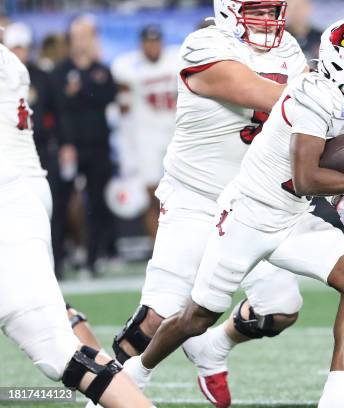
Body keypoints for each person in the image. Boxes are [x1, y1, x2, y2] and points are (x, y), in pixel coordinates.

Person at [122, 17, 344, 408]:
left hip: (292, 218)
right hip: (247, 216)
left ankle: (335, 395)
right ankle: (137, 372)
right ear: (341, 65)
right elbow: (305, 177)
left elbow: (324, 166)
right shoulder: (312, 93)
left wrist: (342, 200)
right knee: (196, 317)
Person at [105, 2, 318, 408]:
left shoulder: (288, 47)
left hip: (253, 202)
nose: (266, 19)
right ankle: (103, 394)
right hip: (196, 197)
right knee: (159, 314)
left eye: (272, 9)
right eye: (256, 9)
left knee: (281, 308)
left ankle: (212, 346)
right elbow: (264, 95)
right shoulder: (204, 45)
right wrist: (328, 98)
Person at [0, 40, 153, 408]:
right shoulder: (10, 60)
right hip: (21, 188)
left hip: (8, 200)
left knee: (59, 353)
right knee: (48, 308)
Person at [52, 15, 117, 277]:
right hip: (69, 148)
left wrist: (80, 90)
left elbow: (108, 97)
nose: (82, 40)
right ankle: (56, 262)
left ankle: (94, 258)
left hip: (98, 147)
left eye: (86, 35)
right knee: (61, 204)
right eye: (77, 35)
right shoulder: (59, 71)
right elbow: (56, 107)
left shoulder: (101, 70)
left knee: (97, 203)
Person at [111, 25, 179, 239]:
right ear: (141, 45)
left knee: (181, 192)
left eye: (155, 41)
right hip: (147, 136)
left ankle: (177, 241)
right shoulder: (128, 67)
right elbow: (123, 106)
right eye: (148, 42)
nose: (152, 46)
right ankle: (156, 245)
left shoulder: (175, 60)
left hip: (174, 133)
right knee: (151, 194)